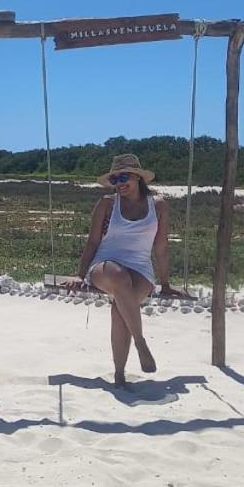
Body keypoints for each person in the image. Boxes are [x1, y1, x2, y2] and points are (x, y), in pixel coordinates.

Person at [64, 154, 183, 388]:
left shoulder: (158, 206)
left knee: (121, 308)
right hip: (105, 266)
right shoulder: (107, 204)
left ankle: (119, 374)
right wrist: (80, 274)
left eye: (124, 177)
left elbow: (161, 246)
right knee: (118, 278)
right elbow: (92, 242)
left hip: (140, 269)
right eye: (115, 178)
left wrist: (165, 283)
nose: (119, 182)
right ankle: (140, 341)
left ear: (138, 178)